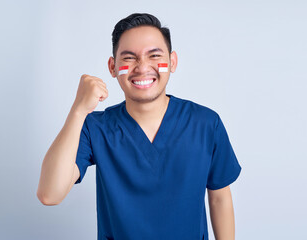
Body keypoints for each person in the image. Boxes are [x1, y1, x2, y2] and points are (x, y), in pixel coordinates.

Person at [37, 13, 242, 240]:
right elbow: (50, 194)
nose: (142, 67)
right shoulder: (95, 128)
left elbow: (220, 197)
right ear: (112, 67)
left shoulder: (205, 123)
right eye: (129, 58)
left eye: (154, 55)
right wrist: (78, 109)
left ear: (172, 62)